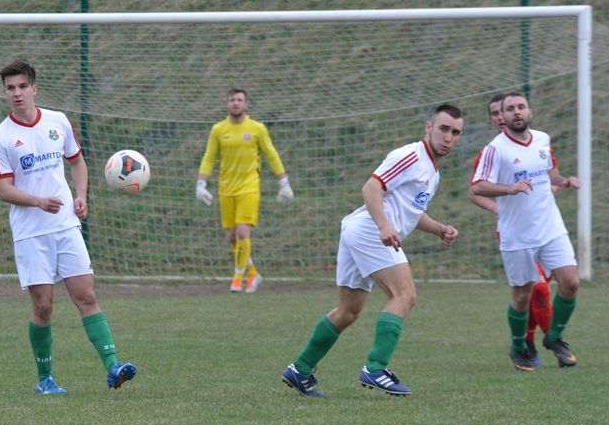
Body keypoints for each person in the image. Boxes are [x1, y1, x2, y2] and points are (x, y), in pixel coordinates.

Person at [281, 104, 464, 397]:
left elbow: (412, 213)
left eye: (455, 132)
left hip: (359, 231)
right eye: (443, 129)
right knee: (404, 295)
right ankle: (375, 369)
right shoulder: (410, 155)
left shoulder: (433, 171)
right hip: (369, 230)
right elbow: (371, 188)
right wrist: (382, 226)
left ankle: (300, 370)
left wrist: (440, 228)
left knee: (348, 310)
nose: (449, 137)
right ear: (428, 128)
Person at [0, 60, 136, 394]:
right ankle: (45, 380)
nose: (16, 93)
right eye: (10, 88)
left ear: (34, 88)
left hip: (66, 226)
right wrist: (38, 201)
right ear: (5, 92)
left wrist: (80, 195)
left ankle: (113, 367)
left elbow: (77, 162)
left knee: (86, 294)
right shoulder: (1, 137)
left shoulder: (58, 121)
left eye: (22, 86)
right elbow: (3, 190)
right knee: (43, 307)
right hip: (30, 232)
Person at [471, 92, 580, 372]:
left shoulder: (543, 139)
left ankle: (554, 337)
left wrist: (564, 181)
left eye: (521, 107)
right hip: (517, 234)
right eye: (510, 109)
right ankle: (519, 345)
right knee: (522, 294)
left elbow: (550, 172)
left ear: (529, 111)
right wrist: (509, 189)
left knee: (571, 282)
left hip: (551, 227)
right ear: (502, 117)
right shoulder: (495, 149)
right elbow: (477, 187)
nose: (516, 112)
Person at [196, 88, 295, 293]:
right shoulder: (218, 130)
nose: (235, 103)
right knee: (232, 237)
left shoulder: (257, 128)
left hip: (249, 187)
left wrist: (284, 182)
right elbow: (209, 157)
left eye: (239, 100)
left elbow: (271, 154)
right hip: (226, 189)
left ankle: (237, 278)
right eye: (232, 99)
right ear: (227, 103)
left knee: (242, 232)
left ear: (246, 104)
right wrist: (201, 184)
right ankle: (253, 274)